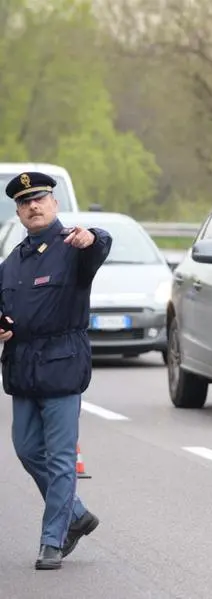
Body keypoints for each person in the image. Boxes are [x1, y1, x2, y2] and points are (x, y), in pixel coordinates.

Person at [1, 171, 112, 570]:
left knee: (62, 458)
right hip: (22, 368)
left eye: (40, 199)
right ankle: (77, 514)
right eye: (25, 202)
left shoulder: (74, 246)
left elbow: (99, 244)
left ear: (54, 204)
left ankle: (53, 539)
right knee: (28, 449)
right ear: (17, 211)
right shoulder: (13, 261)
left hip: (62, 364)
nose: (33, 206)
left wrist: (93, 237)